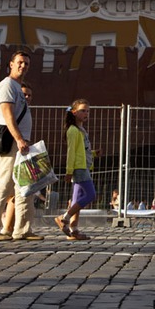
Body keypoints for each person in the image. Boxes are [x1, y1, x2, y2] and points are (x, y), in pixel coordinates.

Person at [0, 50, 41, 241]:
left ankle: (23, 228)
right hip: (14, 143)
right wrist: (19, 139)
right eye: (20, 62)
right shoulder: (6, 86)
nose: (23, 66)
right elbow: (8, 116)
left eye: (26, 64)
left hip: (22, 144)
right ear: (11, 64)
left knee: (26, 188)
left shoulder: (17, 86)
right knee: (4, 186)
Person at [55, 98, 96, 241]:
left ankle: (74, 229)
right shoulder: (72, 130)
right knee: (90, 195)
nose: (86, 113)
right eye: (83, 111)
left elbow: (82, 150)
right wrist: (69, 170)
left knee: (76, 199)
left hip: (83, 165)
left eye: (88, 111)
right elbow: (71, 152)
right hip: (79, 168)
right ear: (74, 112)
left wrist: (94, 153)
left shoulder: (81, 129)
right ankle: (64, 217)